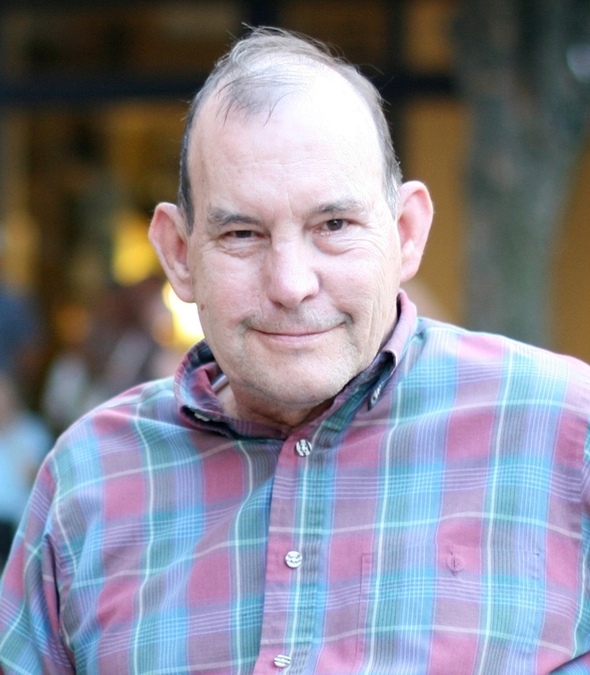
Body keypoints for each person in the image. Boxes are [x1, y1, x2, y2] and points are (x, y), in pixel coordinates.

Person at [0, 26, 589, 674]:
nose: (289, 283)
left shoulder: (565, 434)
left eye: (333, 225)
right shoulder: (90, 480)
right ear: (179, 254)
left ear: (406, 232)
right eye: (243, 234)